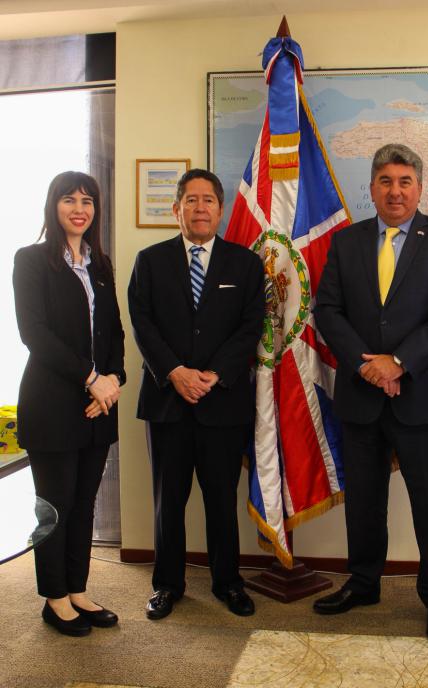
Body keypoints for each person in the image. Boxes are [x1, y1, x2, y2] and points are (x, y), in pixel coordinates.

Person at [313, 143, 428, 642]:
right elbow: (328, 311)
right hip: (362, 396)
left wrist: (398, 361)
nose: (395, 190)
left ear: (419, 188)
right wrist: (368, 365)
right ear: (372, 188)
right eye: (385, 181)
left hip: (421, 395)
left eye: (405, 181)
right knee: (364, 501)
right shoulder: (347, 242)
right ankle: (363, 583)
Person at [128, 168, 264, 620]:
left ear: (221, 210)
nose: (200, 207)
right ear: (177, 209)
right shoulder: (150, 261)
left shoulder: (244, 263)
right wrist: (175, 372)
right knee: (169, 501)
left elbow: (251, 327)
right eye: (191, 200)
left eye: (208, 200)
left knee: (221, 500)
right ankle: (167, 584)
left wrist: (212, 374)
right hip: (168, 401)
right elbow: (142, 324)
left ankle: (228, 582)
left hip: (221, 402)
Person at [13, 171, 125, 637]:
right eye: (69, 199)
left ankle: (78, 590)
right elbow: (35, 335)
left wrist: (114, 381)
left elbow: (113, 331)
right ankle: (54, 598)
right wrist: (92, 379)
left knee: (83, 503)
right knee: (54, 507)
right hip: (53, 404)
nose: (79, 208)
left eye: (87, 200)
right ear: (52, 206)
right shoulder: (32, 260)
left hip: (98, 407)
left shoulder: (100, 264)